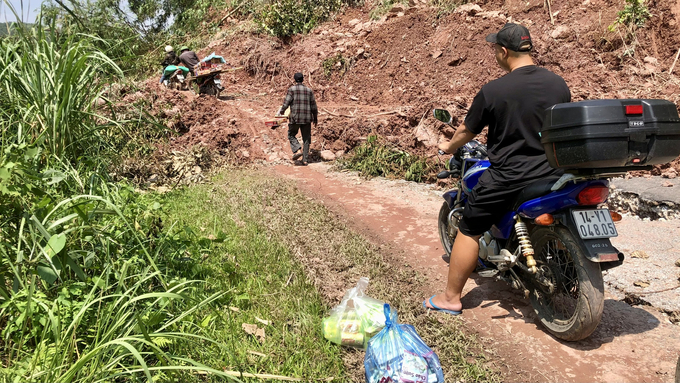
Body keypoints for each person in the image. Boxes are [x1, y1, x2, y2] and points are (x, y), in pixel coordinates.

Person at [423, 23, 571, 315]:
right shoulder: (558, 84)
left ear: (503, 52)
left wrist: (448, 148)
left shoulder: (495, 90)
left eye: (495, 49)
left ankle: (451, 298)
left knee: (469, 228)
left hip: (510, 175)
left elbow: (467, 129)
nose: (494, 54)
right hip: (553, 173)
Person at [277, 72, 318, 165]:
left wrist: (282, 111)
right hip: (307, 118)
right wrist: (315, 118)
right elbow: (314, 106)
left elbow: (286, 102)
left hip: (295, 118)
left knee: (291, 134)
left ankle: (298, 150)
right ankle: (305, 159)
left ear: (295, 80)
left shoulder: (292, 90)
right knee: (306, 138)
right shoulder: (309, 91)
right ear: (303, 79)